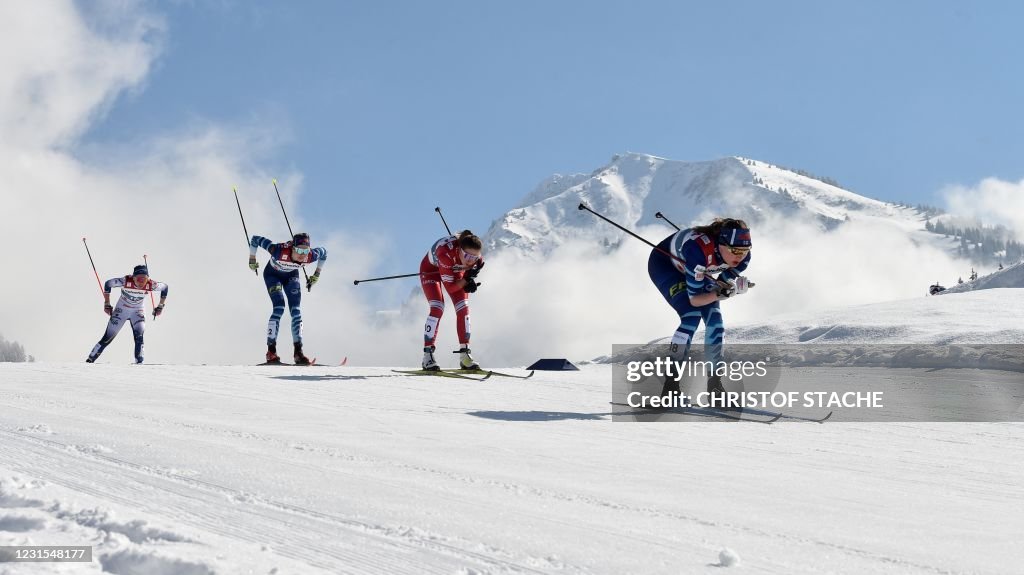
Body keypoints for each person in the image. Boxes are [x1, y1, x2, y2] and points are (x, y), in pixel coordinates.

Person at [647, 218, 752, 403]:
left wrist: (730, 287)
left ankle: (715, 387)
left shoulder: (742, 259)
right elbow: (695, 301)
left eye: (745, 251)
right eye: (735, 251)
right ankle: (670, 388)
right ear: (721, 245)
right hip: (665, 266)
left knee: (716, 323)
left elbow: (720, 285)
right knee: (691, 317)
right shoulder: (698, 251)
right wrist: (727, 293)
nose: (740, 256)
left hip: (696, 269)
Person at [249, 232, 326, 365]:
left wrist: (316, 275)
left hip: (291, 276)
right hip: (273, 276)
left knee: (296, 311)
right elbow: (255, 239)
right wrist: (252, 259)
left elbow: (324, 253)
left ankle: (298, 352)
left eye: (306, 250)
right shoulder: (278, 250)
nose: (302, 255)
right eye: (299, 250)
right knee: (279, 308)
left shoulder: (311, 256)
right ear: (292, 248)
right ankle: (271, 352)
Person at [419, 230, 485, 370]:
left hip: (453, 270)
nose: (470, 260)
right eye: (467, 255)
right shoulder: (446, 255)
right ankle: (427, 356)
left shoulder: (477, 260)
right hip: (431, 271)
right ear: (459, 250)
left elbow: (468, 272)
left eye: (474, 257)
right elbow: (451, 287)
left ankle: (465, 355)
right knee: (437, 307)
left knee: (463, 308)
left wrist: (469, 280)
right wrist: (466, 280)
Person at [86, 265, 168, 364]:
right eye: (138, 279)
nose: (141, 282)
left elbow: (165, 287)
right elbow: (108, 283)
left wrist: (160, 306)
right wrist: (107, 303)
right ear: (133, 277)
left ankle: (139, 363)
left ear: (148, 278)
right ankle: (90, 360)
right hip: (122, 310)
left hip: (138, 311)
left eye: (144, 279)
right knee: (107, 338)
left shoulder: (152, 284)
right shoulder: (125, 281)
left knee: (139, 337)